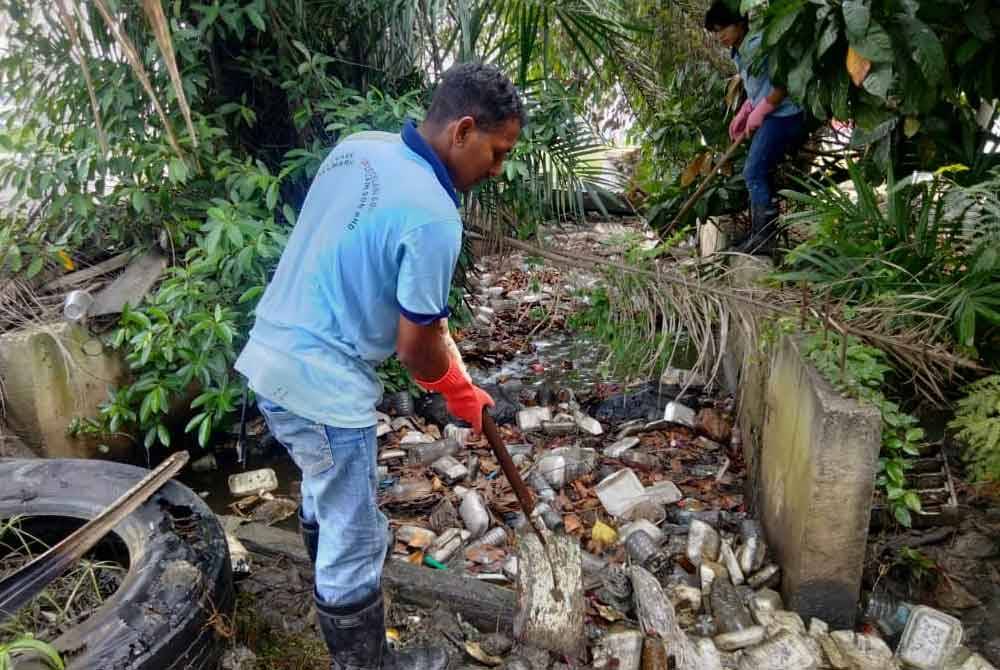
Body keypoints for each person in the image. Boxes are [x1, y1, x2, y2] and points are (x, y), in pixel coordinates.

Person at [234, 62, 524, 670]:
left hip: (270, 357)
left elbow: (364, 258)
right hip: (323, 386)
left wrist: (445, 349)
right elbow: (414, 350)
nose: (498, 171)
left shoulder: (358, 148)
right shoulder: (436, 217)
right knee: (356, 533)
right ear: (463, 131)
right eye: (497, 153)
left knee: (324, 487)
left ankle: (332, 608)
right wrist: (456, 388)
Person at [705, 1, 805, 254]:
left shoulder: (759, 44)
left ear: (739, 24)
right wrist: (747, 109)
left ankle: (764, 239)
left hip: (786, 114)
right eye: (715, 32)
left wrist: (763, 109)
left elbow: (784, 83)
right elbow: (758, 85)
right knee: (758, 172)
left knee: (753, 172)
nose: (720, 37)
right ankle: (759, 234)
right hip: (773, 114)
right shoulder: (738, 51)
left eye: (722, 29)